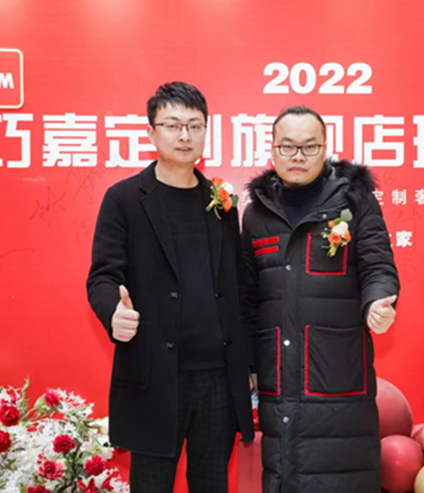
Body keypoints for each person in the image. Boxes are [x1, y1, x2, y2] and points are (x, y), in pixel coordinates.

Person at [86, 82, 254, 493]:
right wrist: (113, 312)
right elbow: (103, 276)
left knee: (212, 484)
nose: (184, 136)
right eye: (173, 125)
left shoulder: (221, 202)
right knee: (151, 485)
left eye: (194, 126)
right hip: (155, 374)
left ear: (205, 132)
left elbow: (239, 287)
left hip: (217, 377)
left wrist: (248, 364)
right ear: (151, 132)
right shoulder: (124, 199)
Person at [240, 105, 400, 493]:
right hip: (279, 377)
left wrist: (378, 302)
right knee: (284, 476)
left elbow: (378, 266)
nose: (298, 156)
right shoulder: (257, 215)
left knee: (345, 478)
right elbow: (247, 297)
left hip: (338, 373)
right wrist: (250, 363)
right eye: (288, 146)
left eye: (309, 147)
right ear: (273, 149)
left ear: (325, 148)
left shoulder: (355, 202)